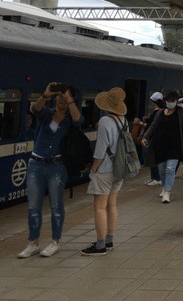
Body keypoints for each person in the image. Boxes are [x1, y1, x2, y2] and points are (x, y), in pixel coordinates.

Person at [18, 83, 83, 259]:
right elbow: (35, 108)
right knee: (33, 206)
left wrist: (70, 101)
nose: (62, 99)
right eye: (60, 96)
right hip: (36, 164)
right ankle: (33, 242)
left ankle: (55, 241)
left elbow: (79, 120)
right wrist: (45, 94)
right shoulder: (46, 114)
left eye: (66, 96)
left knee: (56, 205)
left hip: (57, 166)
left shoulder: (70, 120)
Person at [81, 87, 127, 256]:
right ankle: (109, 240)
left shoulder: (105, 122)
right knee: (112, 204)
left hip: (105, 169)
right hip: (119, 168)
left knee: (99, 207)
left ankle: (100, 245)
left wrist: (93, 169)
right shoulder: (124, 120)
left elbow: (100, 150)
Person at [141, 90, 183, 203]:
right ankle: (164, 187)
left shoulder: (180, 114)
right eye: (168, 101)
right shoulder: (159, 113)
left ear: (176, 101)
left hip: (175, 147)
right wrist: (145, 137)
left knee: (170, 169)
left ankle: (167, 192)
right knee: (161, 170)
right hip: (160, 145)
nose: (170, 103)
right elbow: (152, 126)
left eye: (172, 101)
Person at [142, 91, 164, 186]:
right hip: (153, 138)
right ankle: (153, 177)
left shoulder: (158, 112)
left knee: (152, 158)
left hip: (153, 138)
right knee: (152, 158)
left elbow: (152, 125)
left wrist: (141, 123)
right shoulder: (160, 111)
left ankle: (157, 178)